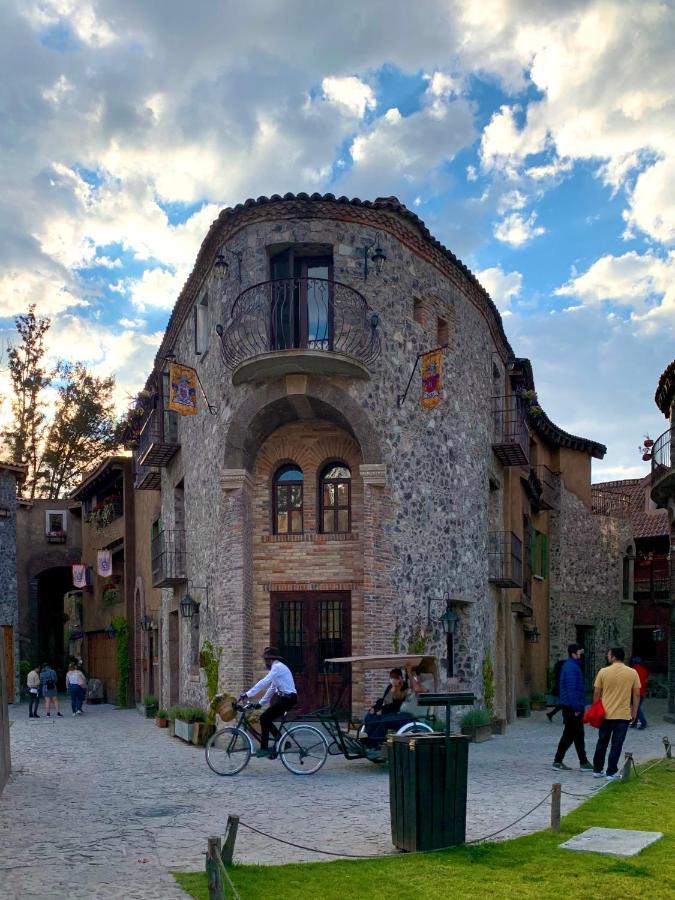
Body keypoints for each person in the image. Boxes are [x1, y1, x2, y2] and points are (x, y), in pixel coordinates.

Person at [591, 647, 641, 781]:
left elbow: (596, 692)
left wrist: (596, 707)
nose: (607, 657)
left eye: (608, 655)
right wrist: (634, 711)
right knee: (616, 744)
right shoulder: (632, 673)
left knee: (602, 742)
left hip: (605, 714)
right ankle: (611, 771)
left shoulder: (603, 671)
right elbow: (636, 694)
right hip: (623, 715)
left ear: (613, 657)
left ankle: (597, 769)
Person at [240, 647, 297, 758]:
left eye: (265, 660)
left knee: (264, 718)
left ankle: (265, 748)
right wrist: (260, 703)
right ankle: (281, 741)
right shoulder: (276, 669)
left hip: (288, 699)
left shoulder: (277, 667)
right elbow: (271, 688)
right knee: (266, 718)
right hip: (285, 698)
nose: (265, 662)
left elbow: (264, 682)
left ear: (270, 660)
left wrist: (248, 694)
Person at [552, 644, 592, 772]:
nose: (581, 653)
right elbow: (571, 690)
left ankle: (559, 761)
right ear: (574, 653)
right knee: (576, 735)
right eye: (580, 651)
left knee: (571, 735)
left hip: (571, 706)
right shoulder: (571, 667)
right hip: (571, 707)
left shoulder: (573, 666)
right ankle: (583, 762)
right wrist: (576, 708)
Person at [362, 669, 413, 747]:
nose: (392, 679)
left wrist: (396, 686)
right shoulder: (390, 687)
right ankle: (364, 739)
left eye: (394, 677)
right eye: (391, 677)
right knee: (370, 717)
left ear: (399, 677)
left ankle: (372, 743)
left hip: (395, 712)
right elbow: (383, 700)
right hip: (385, 712)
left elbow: (397, 698)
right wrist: (374, 708)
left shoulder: (404, 687)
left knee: (381, 720)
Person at [629, 657, 649, 729]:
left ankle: (643, 722)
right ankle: (634, 722)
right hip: (642, 692)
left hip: (634, 692)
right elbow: (646, 681)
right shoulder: (644, 670)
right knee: (636, 708)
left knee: (636, 708)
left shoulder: (632, 670)